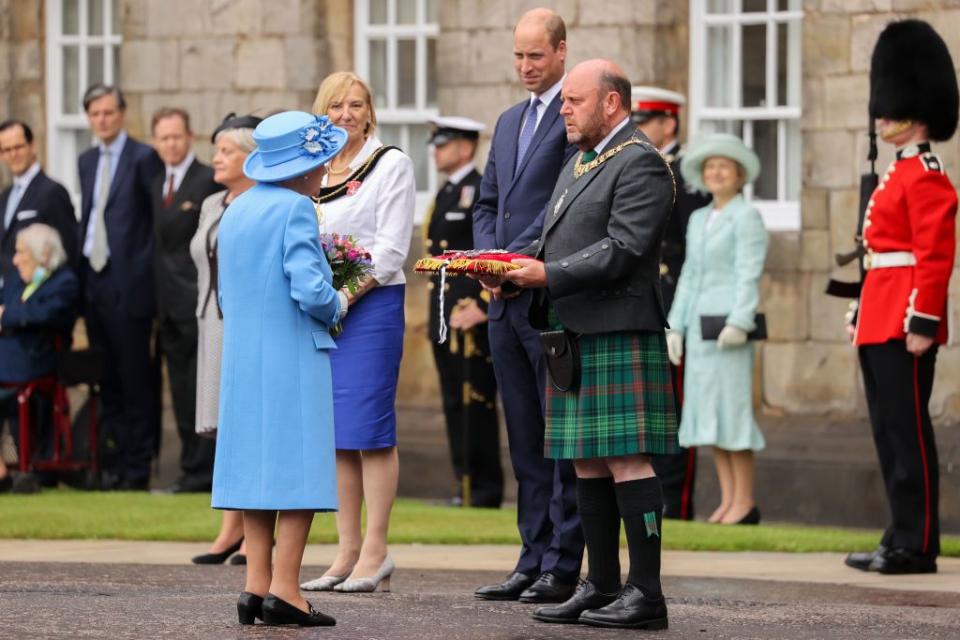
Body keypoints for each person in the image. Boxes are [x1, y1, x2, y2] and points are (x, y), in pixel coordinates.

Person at [481, 60, 678, 629]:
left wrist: (546, 275)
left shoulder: (640, 161)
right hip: (571, 329)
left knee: (627, 458)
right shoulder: (580, 161)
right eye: (564, 101)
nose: (562, 110)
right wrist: (510, 268)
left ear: (611, 103)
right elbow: (549, 237)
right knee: (587, 462)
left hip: (618, 327)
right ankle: (602, 584)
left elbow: (624, 247)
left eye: (574, 101)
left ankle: (647, 592)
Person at [213, 110, 348, 627]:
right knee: (298, 472)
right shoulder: (295, 209)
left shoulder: (238, 209)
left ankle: (255, 586)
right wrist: (339, 300)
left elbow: (226, 292)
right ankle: (287, 591)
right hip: (291, 351)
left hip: (244, 354)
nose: (323, 170)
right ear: (303, 168)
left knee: (254, 472)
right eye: (319, 161)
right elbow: (311, 290)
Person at [471, 8, 583, 605]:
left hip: (546, 300)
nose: (525, 67)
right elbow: (489, 200)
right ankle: (530, 556)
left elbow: (562, 204)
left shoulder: (575, 115)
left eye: (535, 56)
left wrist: (512, 259)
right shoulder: (509, 120)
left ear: (561, 52)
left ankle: (564, 566)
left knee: (558, 441)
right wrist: (489, 259)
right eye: (517, 56)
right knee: (523, 441)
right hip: (501, 304)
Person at [844, 19, 958, 576]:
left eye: (889, 108)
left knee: (909, 434)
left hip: (906, 319)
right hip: (880, 315)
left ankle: (918, 542)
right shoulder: (896, 174)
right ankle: (899, 533)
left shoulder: (927, 176)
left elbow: (934, 257)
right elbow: (877, 256)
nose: (880, 116)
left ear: (915, 111)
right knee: (889, 434)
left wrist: (923, 319)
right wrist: (858, 311)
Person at [299, 71, 414, 594]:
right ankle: (345, 549)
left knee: (369, 429)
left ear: (370, 111)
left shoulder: (391, 164)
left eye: (355, 105)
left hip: (371, 305)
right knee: (338, 435)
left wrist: (345, 294)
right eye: (335, 106)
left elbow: (392, 251)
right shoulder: (314, 171)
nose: (345, 114)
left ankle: (377, 548)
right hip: (325, 310)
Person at [666, 133, 768, 525]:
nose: (716, 173)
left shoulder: (747, 217)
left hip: (730, 327)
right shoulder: (697, 218)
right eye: (710, 167)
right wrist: (675, 326)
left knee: (734, 413)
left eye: (724, 167)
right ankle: (729, 500)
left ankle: (745, 501)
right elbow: (690, 275)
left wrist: (741, 321)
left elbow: (749, 273)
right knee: (711, 416)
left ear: (739, 174)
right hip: (700, 327)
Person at [77, 83, 163, 491]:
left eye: (108, 113)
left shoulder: (144, 157)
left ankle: (137, 467)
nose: (102, 120)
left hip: (129, 285)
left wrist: (143, 276)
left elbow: (153, 225)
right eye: (95, 114)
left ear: (122, 113)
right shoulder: (86, 160)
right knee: (106, 378)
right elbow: (91, 214)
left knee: (134, 379)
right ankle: (112, 462)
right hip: (94, 280)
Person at [631, 87, 710, 521]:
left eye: (647, 120)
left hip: (674, 301)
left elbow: (689, 249)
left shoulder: (687, 172)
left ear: (669, 124)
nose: (639, 129)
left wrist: (680, 312)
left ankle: (676, 503)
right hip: (645, 300)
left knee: (677, 408)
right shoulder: (642, 165)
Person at [188, 112, 260, 565]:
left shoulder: (261, 202)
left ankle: (255, 530)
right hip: (210, 320)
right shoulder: (212, 204)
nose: (216, 158)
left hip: (245, 322)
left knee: (246, 425)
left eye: (226, 151)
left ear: (250, 157)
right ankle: (230, 526)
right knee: (221, 427)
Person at [423, 116, 503, 509]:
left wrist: (484, 305)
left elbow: (489, 250)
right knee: (455, 403)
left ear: (466, 148)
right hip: (444, 316)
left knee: (477, 404)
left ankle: (482, 490)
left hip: (470, 315)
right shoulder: (447, 193)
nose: (436, 149)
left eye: (444, 142)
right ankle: (464, 485)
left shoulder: (479, 189)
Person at [150, 107, 220, 494]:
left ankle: (202, 472)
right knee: (178, 389)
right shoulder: (154, 181)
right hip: (166, 306)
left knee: (200, 388)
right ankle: (189, 469)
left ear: (189, 136)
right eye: (163, 138)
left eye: (176, 136)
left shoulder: (207, 179)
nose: (171, 144)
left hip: (197, 302)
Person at [0, 224, 79, 494]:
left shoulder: (64, 281)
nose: (15, 259)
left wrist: (8, 317)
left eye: (22, 252)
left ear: (43, 254)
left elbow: (45, 315)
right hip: (10, 357)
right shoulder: (14, 281)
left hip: (37, 359)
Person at [0, 120, 78, 297]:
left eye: (18, 147)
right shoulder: (5, 196)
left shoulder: (52, 192)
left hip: (38, 301)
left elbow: (68, 251)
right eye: (6, 150)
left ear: (32, 145)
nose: (13, 154)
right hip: (7, 300)